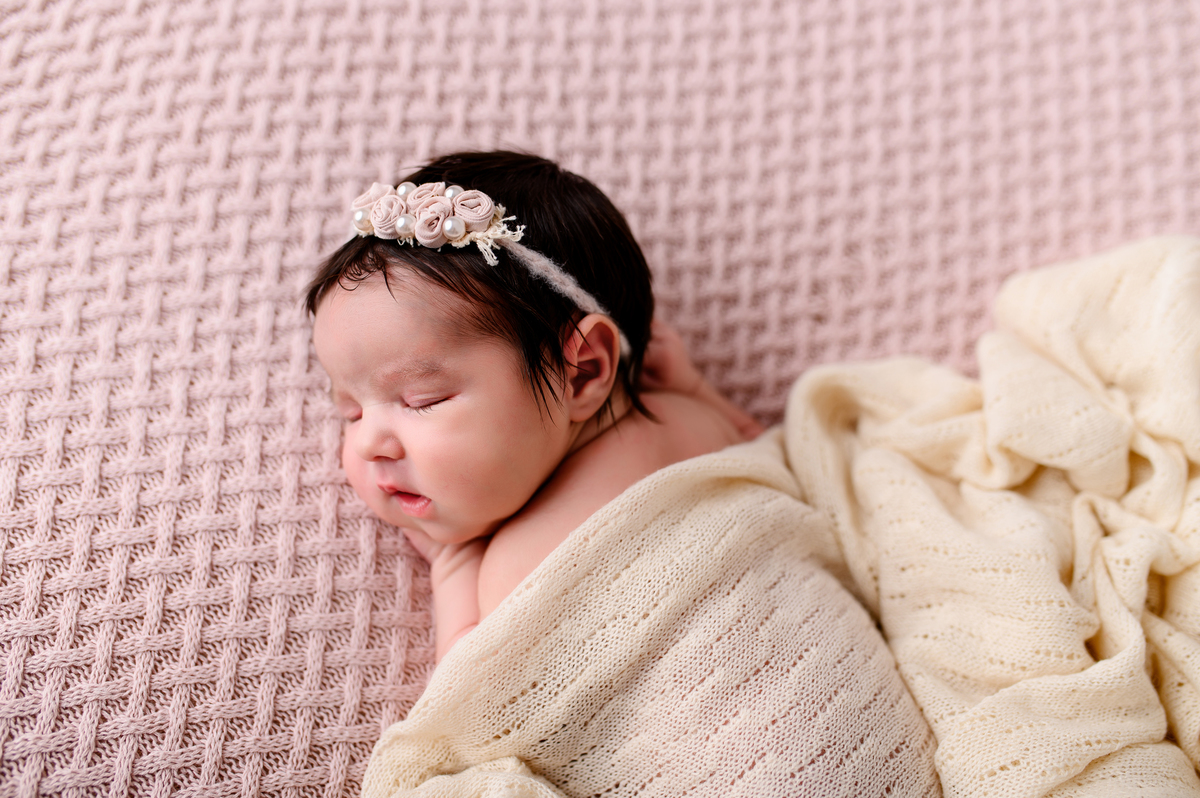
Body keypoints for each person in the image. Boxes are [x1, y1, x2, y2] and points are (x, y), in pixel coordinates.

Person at [307, 151, 762, 661]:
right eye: (350, 411)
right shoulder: (696, 418)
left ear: (584, 370)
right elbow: (774, 453)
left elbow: (483, 704)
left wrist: (452, 564)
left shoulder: (526, 564)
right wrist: (698, 389)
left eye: (422, 400)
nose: (368, 442)